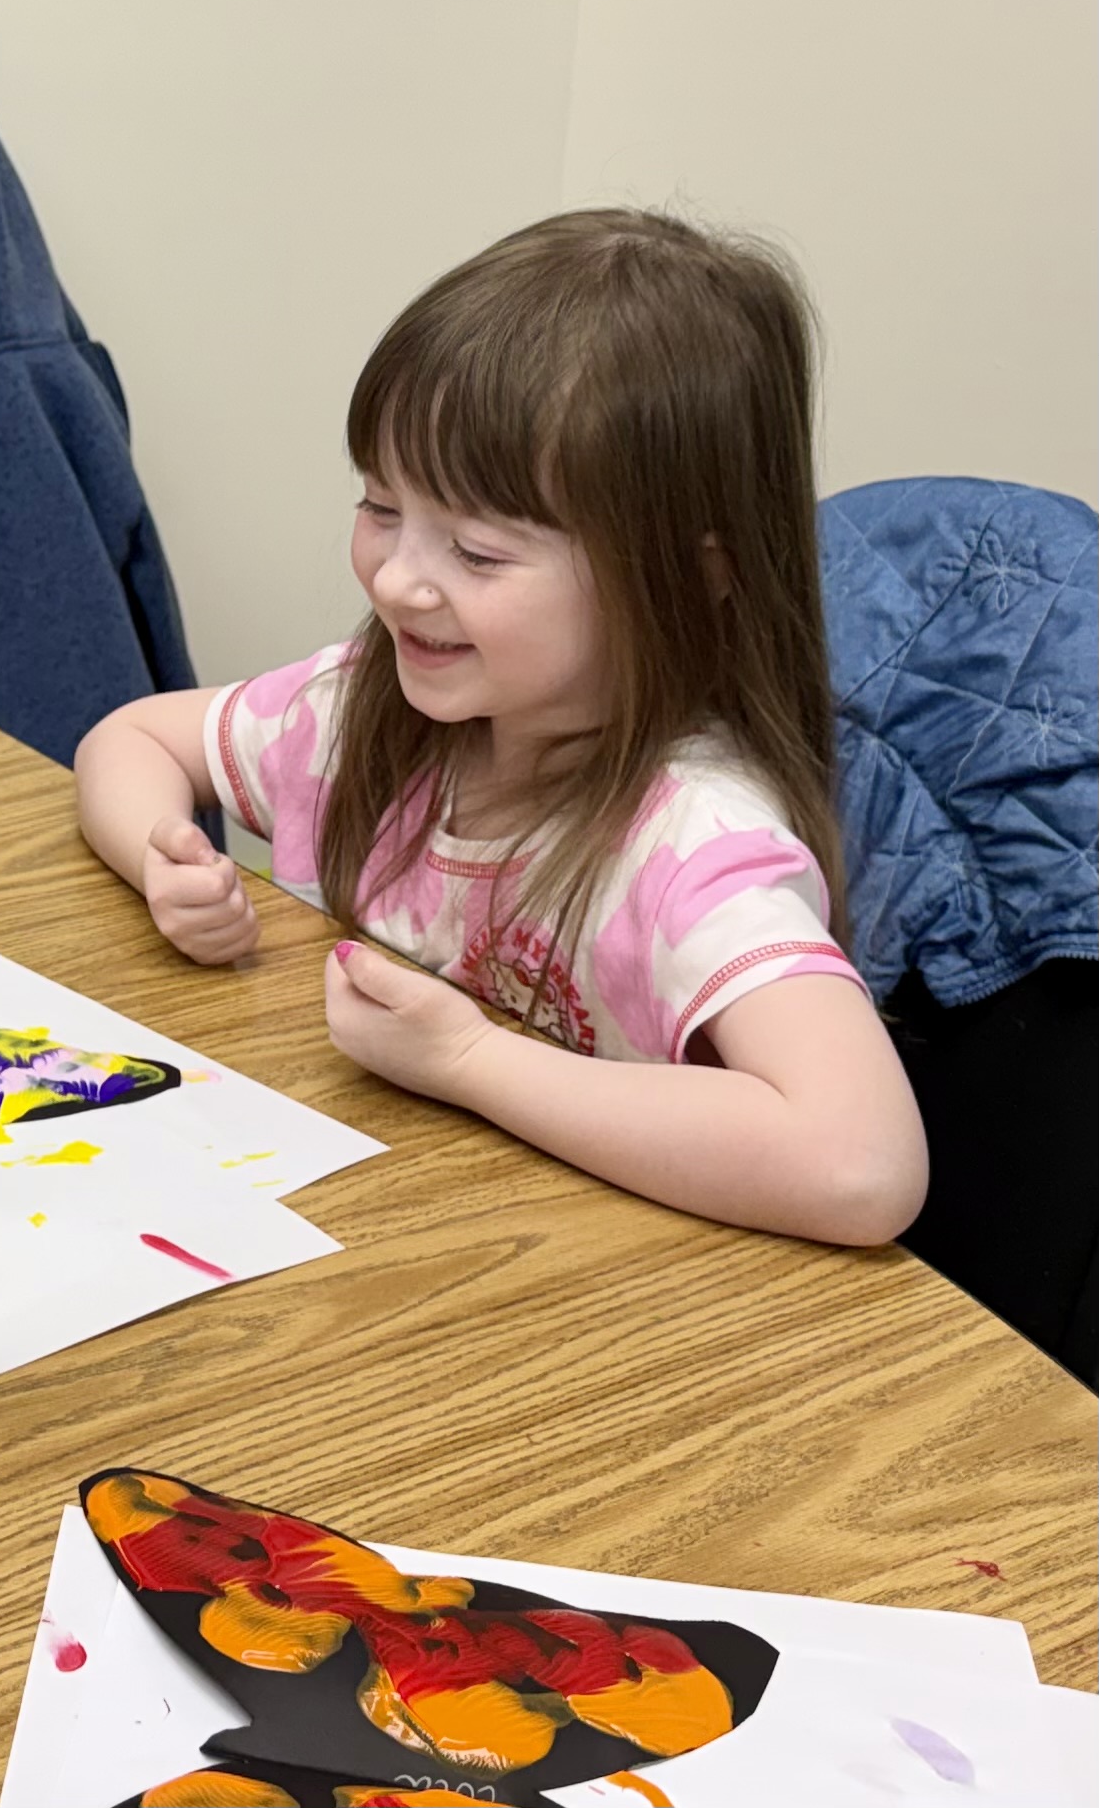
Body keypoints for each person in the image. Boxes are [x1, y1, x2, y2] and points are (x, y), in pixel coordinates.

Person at [73, 211, 926, 1246]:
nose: (394, 579)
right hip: (373, 1240)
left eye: (475, 553)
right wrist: (160, 858)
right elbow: (129, 738)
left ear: (690, 572)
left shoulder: (691, 842)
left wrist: (472, 1063)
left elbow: (861, 1166)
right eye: (380, 506)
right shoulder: (364, 710)